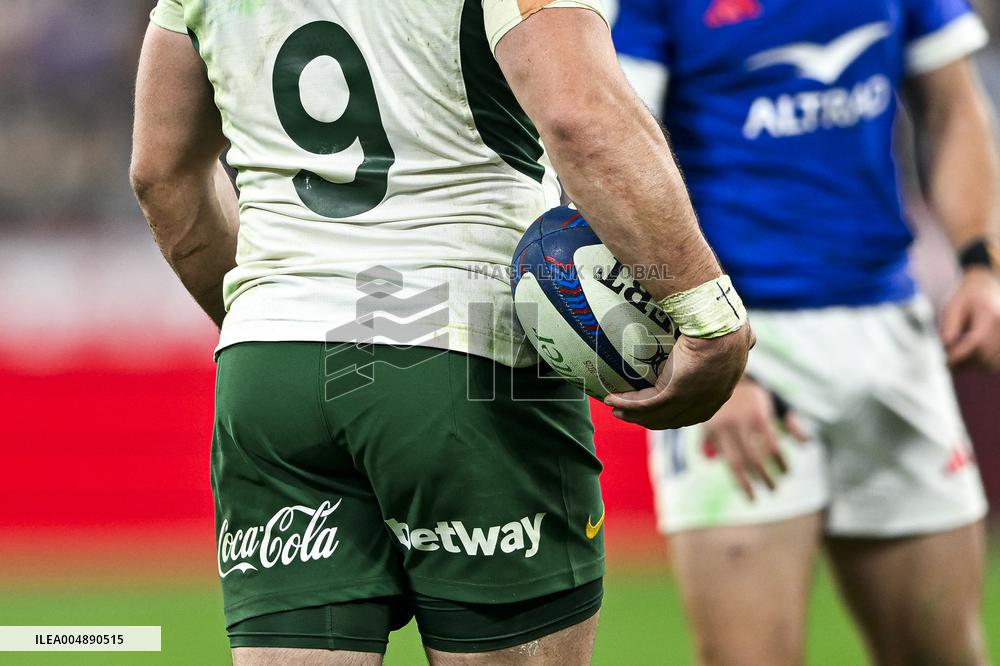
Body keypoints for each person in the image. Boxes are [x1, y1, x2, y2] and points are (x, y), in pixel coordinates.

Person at [130, 1, 754, 663]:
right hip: (466, 352)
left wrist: (287, 321)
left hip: (271, 370)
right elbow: (582, 117)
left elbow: (160, 174)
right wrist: (709, 317)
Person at [612, 0, 1000, 663]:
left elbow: (953, 106)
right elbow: (617, 163)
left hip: (891, 332)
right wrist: (708, 348)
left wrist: (981, 264)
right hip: (742, 338)